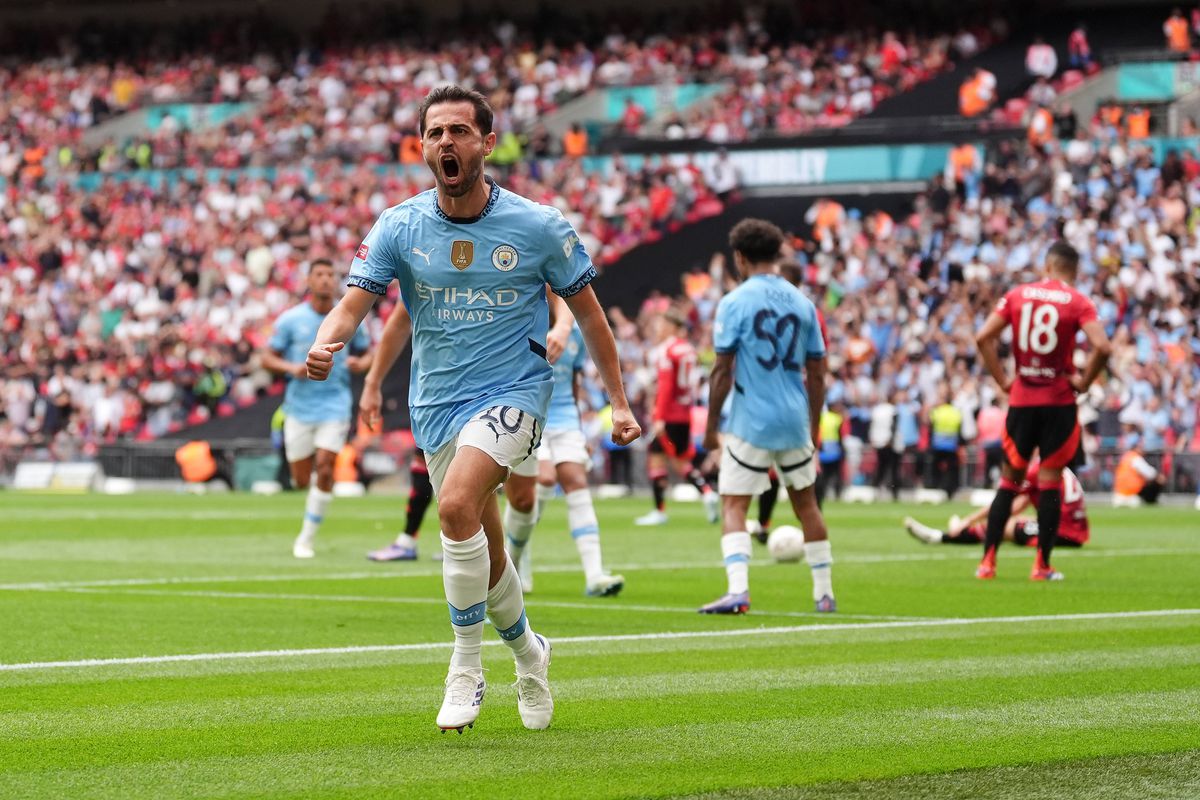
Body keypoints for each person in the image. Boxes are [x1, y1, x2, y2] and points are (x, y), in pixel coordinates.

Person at [304, 86, 640, 733]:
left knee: (455, 506)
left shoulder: (538, 226)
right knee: (485, 547)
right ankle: (529, 653)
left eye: (460, 131)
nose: (446, 143)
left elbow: (594, 319)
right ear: (422, 146)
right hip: (436, 404)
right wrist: (329, 340)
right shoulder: (400, 226)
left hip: (515, 393)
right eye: (435, 133)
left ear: (487, 142)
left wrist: (619, 402)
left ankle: (465, 664)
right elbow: (356, 304)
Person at [700, 218, 835, 614]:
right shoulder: (803, 302)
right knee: (807, 504)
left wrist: (711, 428)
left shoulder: (734, 302)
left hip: (749, 422)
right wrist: (813, 427)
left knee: (734, 504)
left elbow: (722, 370)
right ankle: (823, 594)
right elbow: (818, 373)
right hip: (795, 420)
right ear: (777, 255)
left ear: (740, 258)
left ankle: (739, 591)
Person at [974, 242, 1111, 581]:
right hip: (1058, 402)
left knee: (1010, 481)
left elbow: (982, 337)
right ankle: (1042, 566)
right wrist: (1084, 381)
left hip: (1022, 400)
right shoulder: (1079, 301)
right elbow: (1103, 347)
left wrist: (1004, 380)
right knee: (1050, 482)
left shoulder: (1019, 294)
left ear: (1047, 265)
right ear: (1073, 271)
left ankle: (988, 563)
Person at [261, 258, 372, 559]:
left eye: (330, 274)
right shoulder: (290, 320)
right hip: (298, 408)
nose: (324, 280)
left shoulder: (348, 317)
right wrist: (291, 367)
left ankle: (306, 539)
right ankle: (312, 496)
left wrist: (361, 364)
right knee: (300, 479)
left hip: (335, 404)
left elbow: (367, 354)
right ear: (308, 281)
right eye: (318, 274)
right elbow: (266, 358)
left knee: (325, 468)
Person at [510, 321, 625, 597]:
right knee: (544, 481)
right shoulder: (524, 315)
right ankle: (514, 563)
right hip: (531, 414)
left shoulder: (575, 330)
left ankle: (595, 574)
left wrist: (580, 430)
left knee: (576, 481)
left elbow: (575, 381)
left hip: (565, 417)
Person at [358, 304, 435, 561]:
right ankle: (409, 540)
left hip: (489, 391)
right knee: (425, 464)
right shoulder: (425, 274)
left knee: (473, 474)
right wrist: (373, 382)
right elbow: (399, 321)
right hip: (435, 391)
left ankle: (474, 543)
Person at [635, 308, 719, 526]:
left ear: (672, 327)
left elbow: (665, 386)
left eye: (661, 325)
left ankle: (661, 510)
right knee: (678, 461)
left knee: (661, 460)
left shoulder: (667, 351)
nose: (658, 330)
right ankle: (707, 492)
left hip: (669, 415)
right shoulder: (689, 350)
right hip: (684, 413)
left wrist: (659, 416)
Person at [906, 464, 1089, 548]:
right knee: (1017, 521)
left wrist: (969, 519)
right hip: (1074, 531)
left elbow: (1009, 505)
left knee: (1004, 525)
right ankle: (961, 530)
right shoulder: (1056, 465)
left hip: (1060, 532)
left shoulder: (1036, 469)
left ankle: (943, 537)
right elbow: (1021, 504)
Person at [1113, 438, 1166, 506]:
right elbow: (1150, 474)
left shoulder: (1126, 457)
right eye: (1141, 447)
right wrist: (1159, 476)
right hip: (1132, 492)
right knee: (1159, 479)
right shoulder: (1136, 458)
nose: (1143, 450)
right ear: (1136, 448)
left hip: (1119, 492)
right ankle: (1151, 501)